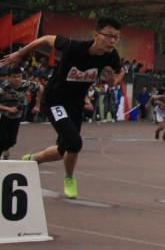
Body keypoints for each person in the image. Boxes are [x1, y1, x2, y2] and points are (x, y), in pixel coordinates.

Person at [1, 16, 125, 200]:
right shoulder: (73, 47)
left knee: (63, 149)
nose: (112, 41)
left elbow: (120, 70)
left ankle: (33, 159)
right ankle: (69, 178)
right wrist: (20, 53)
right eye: (109, 36)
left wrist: (115, 81)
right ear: (96, 35)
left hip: (75, 105)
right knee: (75, 142)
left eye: (116, 37)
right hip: (55, 101)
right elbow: (45, 39)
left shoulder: (111, 55)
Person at [0, 67, 40, 159]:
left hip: (16, 115)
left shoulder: (26, 84)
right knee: (2, 138)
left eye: (19, 76)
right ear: (8, 78)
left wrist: (37, 105)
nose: (17, 79)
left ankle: (5, 150)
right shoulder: (3, 88)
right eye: (14, 77)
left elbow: (40, 88)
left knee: (12, 140)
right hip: (2, 114)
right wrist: (8, 109)